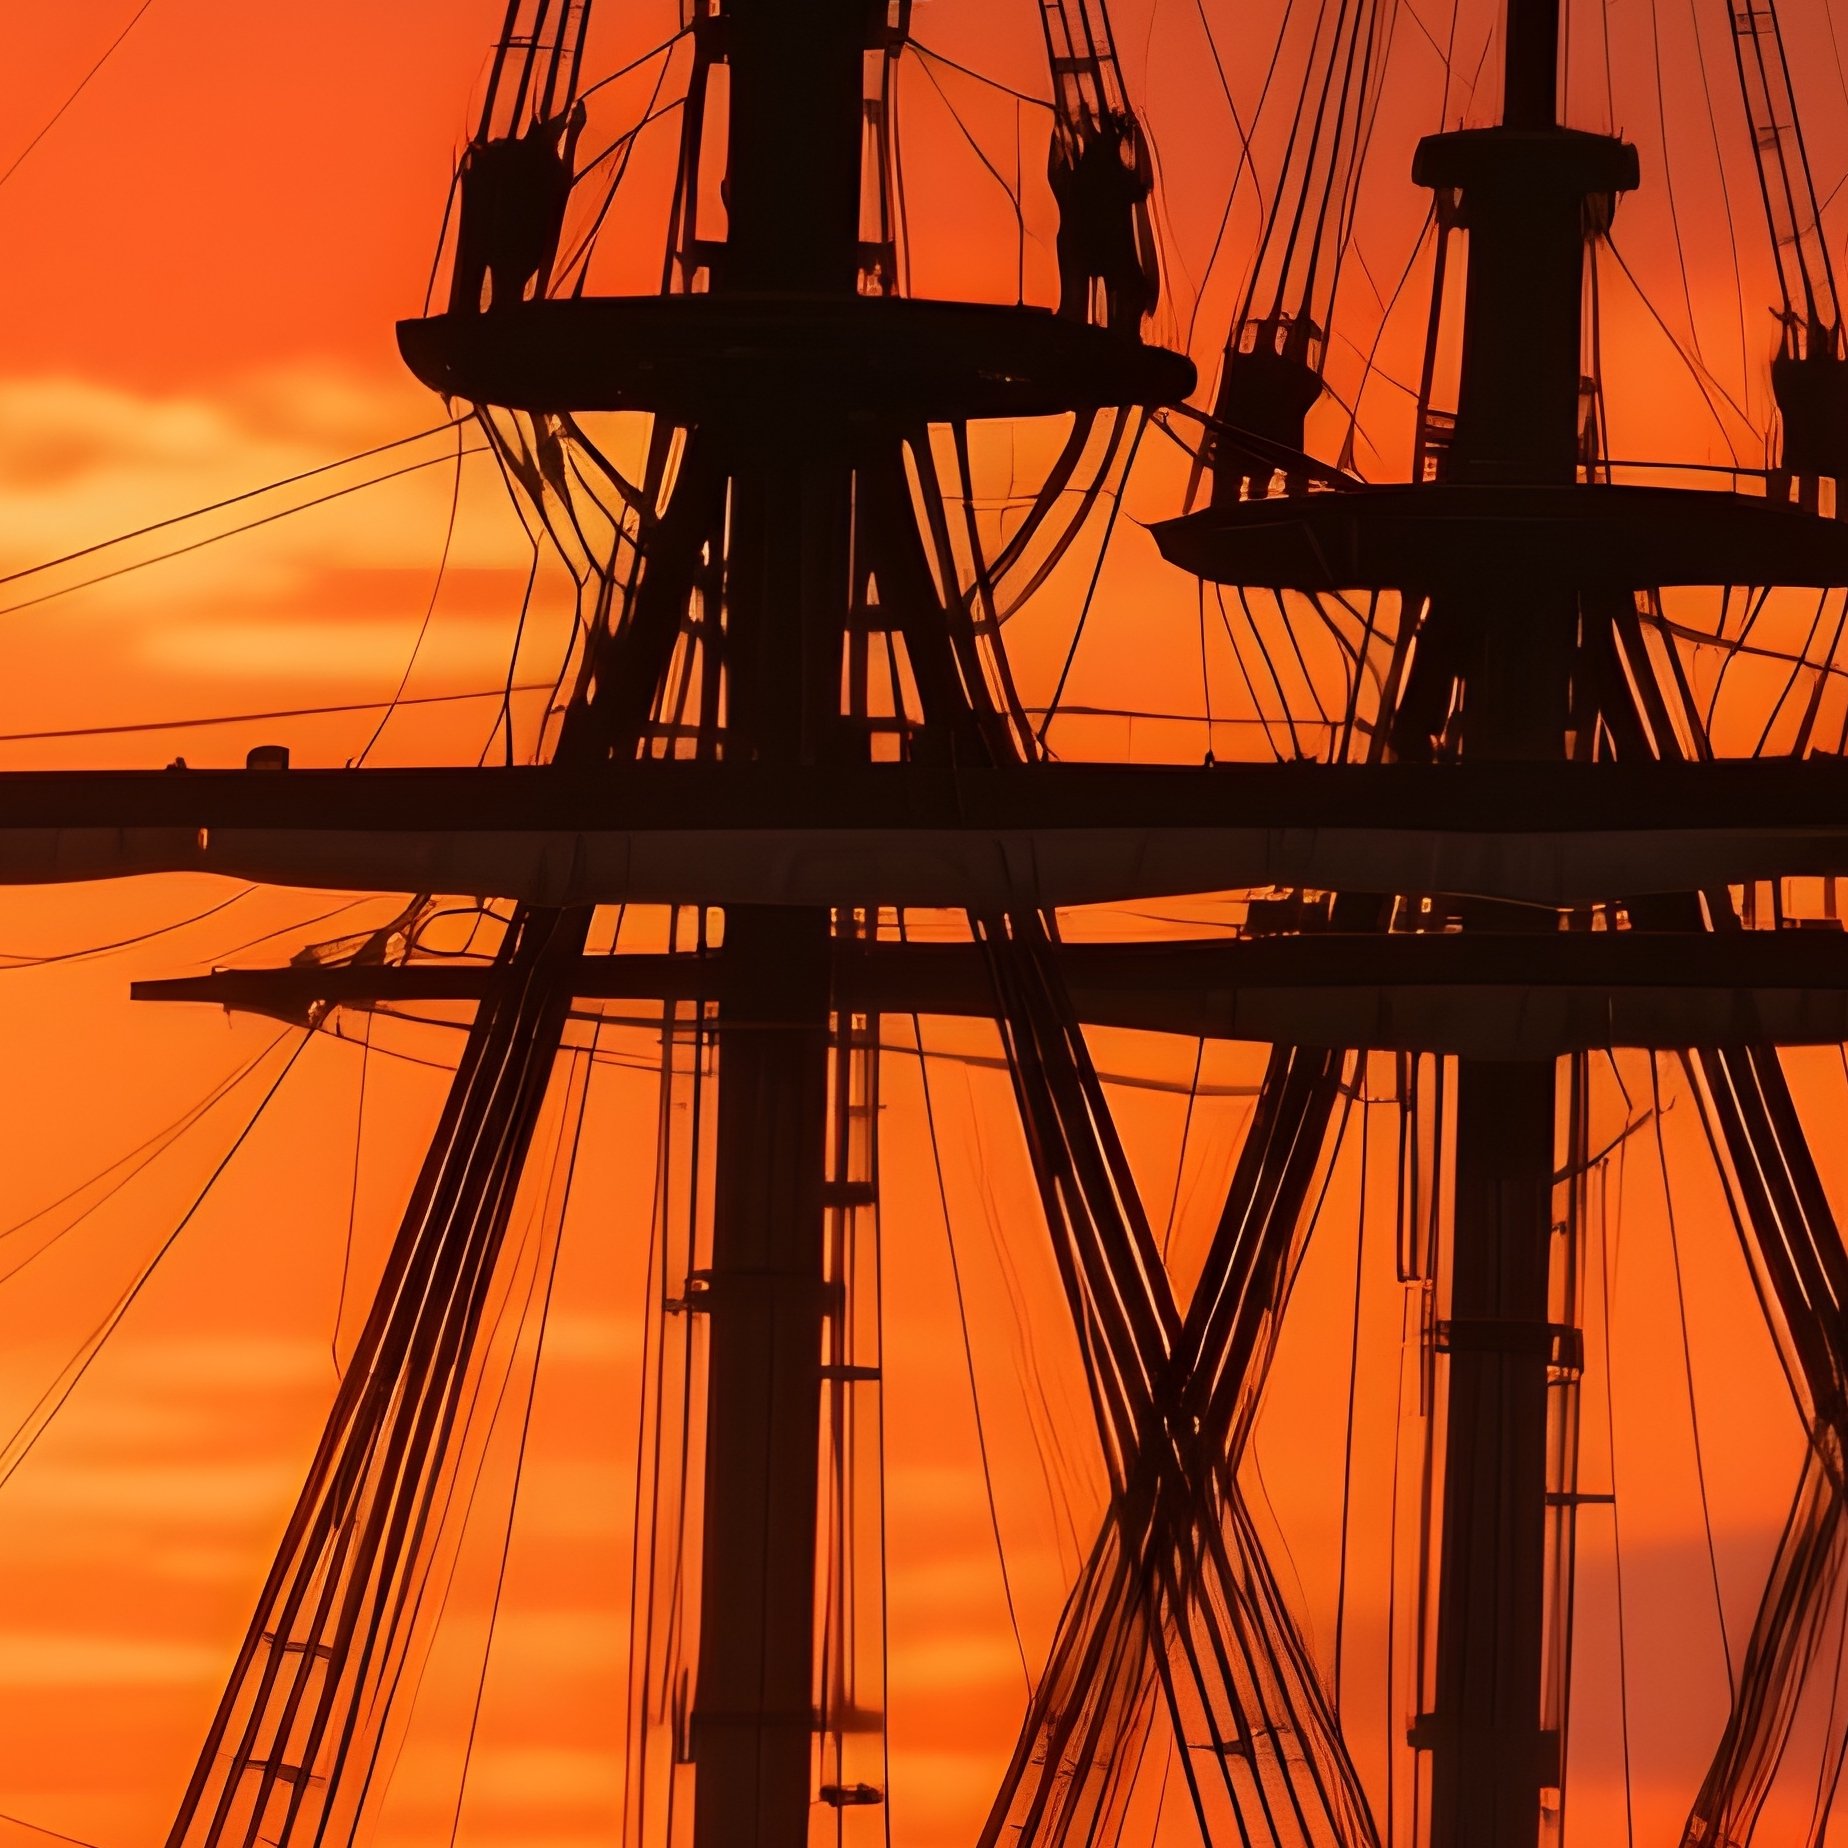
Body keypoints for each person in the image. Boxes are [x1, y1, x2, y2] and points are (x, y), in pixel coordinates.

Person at [450, 100, 587, 313]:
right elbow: (561, 188)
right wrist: (572, 135)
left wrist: (572, 135)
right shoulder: (521, 256)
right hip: (518, 221)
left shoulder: (516, 256)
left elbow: (561, 188)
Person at [1049, 110, 1155, 335]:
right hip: (1093, 248)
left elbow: (1140, 186)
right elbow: (1140, 186)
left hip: (1101, 251)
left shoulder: (1098, 171)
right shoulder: (1095, 171)